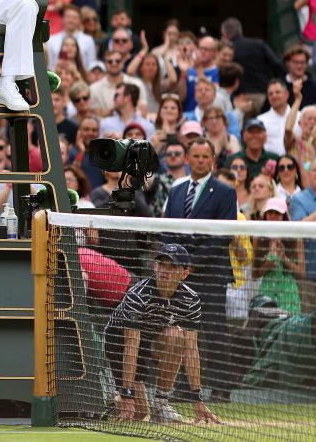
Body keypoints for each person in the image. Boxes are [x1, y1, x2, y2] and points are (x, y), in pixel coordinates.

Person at [104, 243, 222, 424]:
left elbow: (191, 349)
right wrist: (127, 394)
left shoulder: (191, 300)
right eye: (161, 264)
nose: (164, 271)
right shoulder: (138, 296)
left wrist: (197, 399)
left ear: (184, 273)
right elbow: (131, 344)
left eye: (172, 266)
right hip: (120, 342)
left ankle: (160, 404)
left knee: (176, 336)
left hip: (151, 339)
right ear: (154, 266)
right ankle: (114, 399)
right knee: (139, 412)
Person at [163, 138, 238, 400]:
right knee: (183, 330)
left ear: (213, 160)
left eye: (205, 157)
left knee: (215, 330)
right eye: (195, 156)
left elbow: (223, 236)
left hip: (211, 274)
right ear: (187, 159)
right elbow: (167, 229)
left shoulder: (226, 192)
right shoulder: (176, 191)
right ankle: (185, 387)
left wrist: (193, 263)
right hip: (180, 275)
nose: (200, 161)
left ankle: (222, 388)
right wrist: (172, 262)